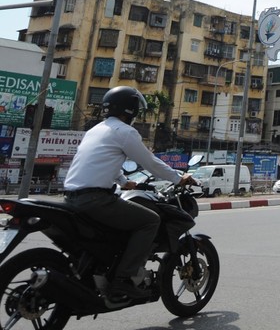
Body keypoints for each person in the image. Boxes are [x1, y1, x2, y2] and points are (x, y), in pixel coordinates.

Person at [64, 86, 196, 304]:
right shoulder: (125, 132)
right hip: (96, 200)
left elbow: (103, 161)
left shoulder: (96, 130)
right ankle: (122, 279)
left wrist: (125, 182)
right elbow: (151, 162)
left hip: (72, 198)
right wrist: (178, 178)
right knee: (150, 220)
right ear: (131, 109)